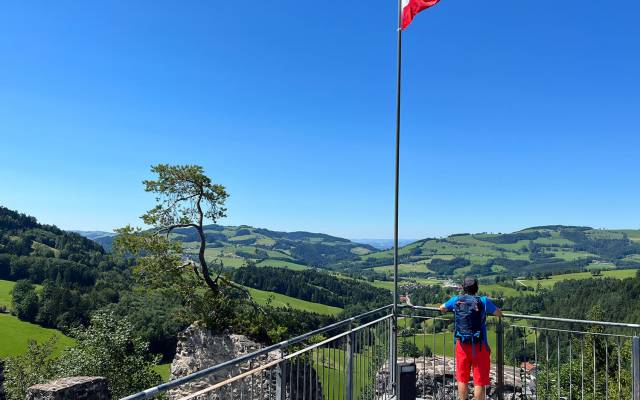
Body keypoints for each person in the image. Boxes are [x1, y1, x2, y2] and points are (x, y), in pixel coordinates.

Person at [439, 277, 503, 400]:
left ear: (463, 288)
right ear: (477, 288)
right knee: (479, 381)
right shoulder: (483, 301)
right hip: (479, 345)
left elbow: (442, 307)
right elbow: (498, 313)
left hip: (461, 344)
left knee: (462, 378)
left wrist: (450, 309)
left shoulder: (456, 300)